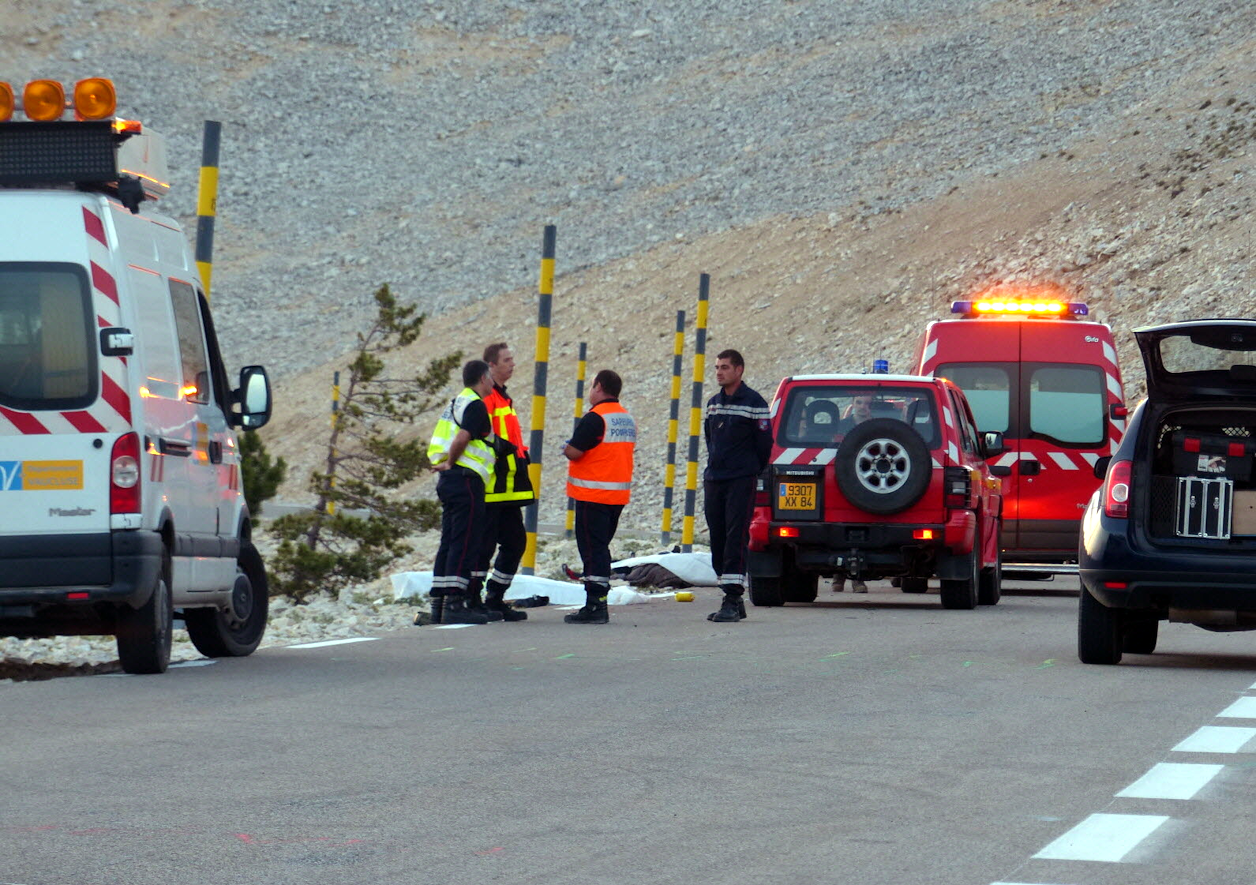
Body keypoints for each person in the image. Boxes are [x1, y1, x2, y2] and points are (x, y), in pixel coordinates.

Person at [424, 360, 498, 625]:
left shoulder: (457, 401)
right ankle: (455, 602)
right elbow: (463, 437)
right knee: (465, 540)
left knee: (450, 540)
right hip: (465, 478)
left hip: (450, 481)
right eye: (490, 377)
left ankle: (439, 603)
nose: (493, 382)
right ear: (483, 378)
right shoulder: (475, 404)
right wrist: (451, 461)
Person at [562, 369, 636, 624]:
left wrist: (565, 447)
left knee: (592, 552)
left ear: (600, 387)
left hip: (592, 494)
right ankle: (598, 603)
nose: (590, 390)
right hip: (616, 496)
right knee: (600, 549)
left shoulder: (595, 418)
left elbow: (574, 451)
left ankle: (595, 606)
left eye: (592, 385)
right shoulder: (626, 418)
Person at [703, 349, 772, 622]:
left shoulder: (755, 403)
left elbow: (764, 445)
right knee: (718, 537)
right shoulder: (713, 404)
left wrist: (749, 469)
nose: (719, 372)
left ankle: (732, 598)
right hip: (715, 479)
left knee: (735, 537)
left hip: (741, 480)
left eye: (725, 367)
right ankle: (731, 595)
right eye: (717, 367)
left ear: (739, 370)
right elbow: (710, 439)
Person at [468, 342, 534, 623]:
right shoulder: (487, 398)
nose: (512, 364)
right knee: (483, 547)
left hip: (507, 486)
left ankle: (494, 597)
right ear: (491, 366)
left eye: (512, 359)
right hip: (490, 485)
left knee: (515, 542)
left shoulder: (503, 398)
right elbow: (480, 435)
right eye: (506, 360)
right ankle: (473, 599)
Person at [833, 393, 876, 594]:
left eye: (867, 403)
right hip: (842, 479)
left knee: (863, 531)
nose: (862, 407)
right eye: (859, 402)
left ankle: (858, 580)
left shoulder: (879, 426)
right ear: (852, 404)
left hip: (869, 481)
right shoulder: (841, 426)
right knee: (839, 528)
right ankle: (838, 576)